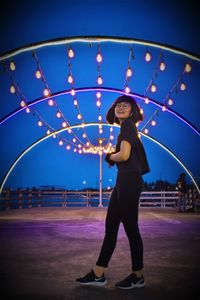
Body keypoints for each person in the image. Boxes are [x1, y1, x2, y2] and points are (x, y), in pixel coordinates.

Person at [76, 95, 150, 289]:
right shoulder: (126, 128)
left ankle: (138, 275)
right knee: (111, 228)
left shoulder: (128, 126)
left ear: (133, 110)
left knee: (131, 229)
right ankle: (98, 273)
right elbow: (126, 155)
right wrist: (113, 158)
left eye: (126, 105)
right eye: (118, 105)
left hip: (129, 180)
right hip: (123, 180)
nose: (121, 107)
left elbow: (124, 155)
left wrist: (109, 156)